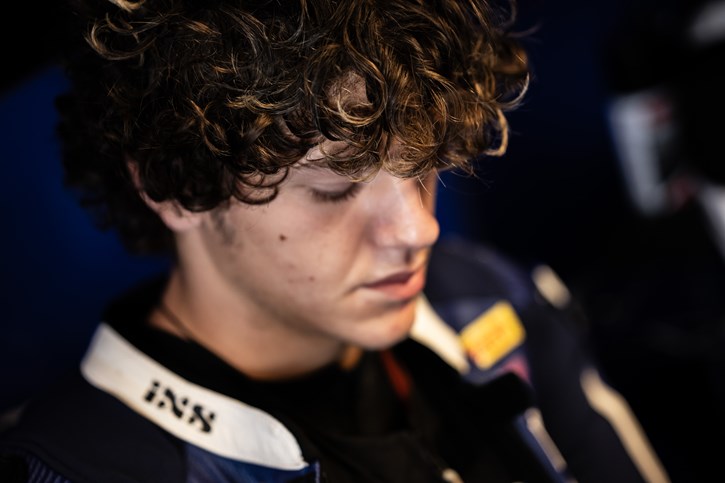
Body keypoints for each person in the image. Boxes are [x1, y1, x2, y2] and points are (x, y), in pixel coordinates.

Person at [0, 0, 669, 481]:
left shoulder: (490, 294)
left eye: (424, 164)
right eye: (334, 188)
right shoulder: (78, 465)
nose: (419, 229)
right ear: (175, 184)